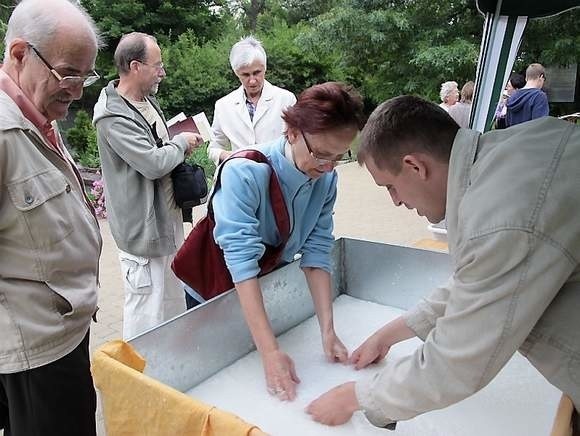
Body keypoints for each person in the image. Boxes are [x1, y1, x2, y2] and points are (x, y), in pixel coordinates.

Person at [306, 95, 580, 429]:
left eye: (391, 187)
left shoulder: (503, 214)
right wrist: (391, 334)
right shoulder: (516, 155)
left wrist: (356, 397)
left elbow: (458, 361)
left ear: (415, 166)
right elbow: (480, 280)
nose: (395, 202)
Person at [212, 82, 365, 401]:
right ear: (292, 131)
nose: (327, 167)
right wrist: (270, 353)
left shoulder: (326, 179)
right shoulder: (245, 172)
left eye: (339, 156)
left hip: (261, 288)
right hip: (216, 290)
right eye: (321, 154)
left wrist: (328, 332)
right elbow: (241, 263)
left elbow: (318, 251)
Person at [0, 1, 103, 435]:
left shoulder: (35, 114)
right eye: (69, 73)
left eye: (86, 75)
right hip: (33, 351)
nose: (78, 89)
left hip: (60, 333)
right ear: (20, 54)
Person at [93, 32, 203, 339]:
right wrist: (181, 142)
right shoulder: (112, 116)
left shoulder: (146, 102)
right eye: (158, 65)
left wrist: (175, 142)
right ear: (135, 66)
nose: (162, 72)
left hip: (166, 222)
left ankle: (169, 373)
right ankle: (139, 381)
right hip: (142, 231)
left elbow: (158, 147)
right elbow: (153, 164)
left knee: (171, 302)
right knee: (146, 315)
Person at [207, 36, 296, 166]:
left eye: (257, 73)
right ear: (236, 73)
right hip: (240, 176)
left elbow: (297, 141)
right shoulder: (223, 105)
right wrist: (228, 156)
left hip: (278, 177)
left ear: (265, 68)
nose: (252, 80)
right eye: (246, 75)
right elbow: (214, 148)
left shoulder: (286, 99)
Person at [506, 63, 549, 127]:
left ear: (526, 78)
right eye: (544, 80)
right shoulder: (539, 96)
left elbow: (507, 124)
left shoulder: (512, 97)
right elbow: (540, 126)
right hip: (531, 137)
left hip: (513, 136)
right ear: (541, 77)